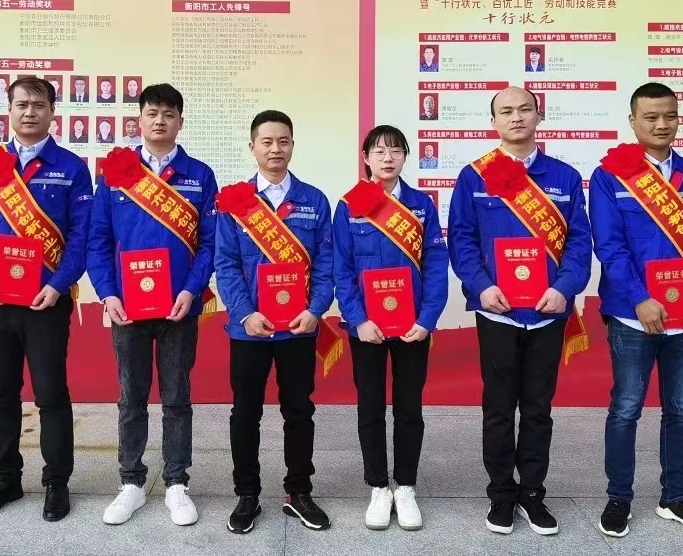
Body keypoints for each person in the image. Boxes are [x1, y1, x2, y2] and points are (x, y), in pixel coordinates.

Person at [447, 86, 591, 537]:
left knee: (537, 408)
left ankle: (532, 493)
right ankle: (501, 494)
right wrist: (481, 286)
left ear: (538, 116)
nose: (516, 117)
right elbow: (462, 239)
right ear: (493, 122)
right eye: (506, 111)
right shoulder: (474, 176)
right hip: (497, 311)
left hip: (548, 311)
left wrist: (565, 288)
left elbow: (579, 240)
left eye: (525, 109)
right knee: (497, 407)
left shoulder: (565, 177)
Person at [589, 83, 683, 539]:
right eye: (650, 116)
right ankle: (619, 497)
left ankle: (675, 497)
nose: (661, 124)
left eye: (669, 115)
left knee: (681, 410)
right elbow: (609, 246)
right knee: (626, 408)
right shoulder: (611, 177)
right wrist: (639, 298)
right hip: (633, 316)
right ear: (633, 121)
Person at [0, 77, 93, 523]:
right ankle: (5, 478)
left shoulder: (71, 168)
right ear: (9, 111)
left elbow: (82, 234)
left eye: (38, 104)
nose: (29, 112)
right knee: (1, 394)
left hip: (46, 302)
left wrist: (60, 283)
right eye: (21, 104)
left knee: (51, 393)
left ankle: (57, 481)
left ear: (53, 112)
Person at [88, 83, 219, 527]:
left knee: (177, 396)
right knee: (131, 396)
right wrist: (108, 293)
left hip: (179, 306)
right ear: (139, 120)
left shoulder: (199, 175)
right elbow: (98, 239)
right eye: (152, 113)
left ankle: (177, 482)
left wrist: (191, 290)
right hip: (127, 307)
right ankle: (131, 481)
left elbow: (209, 243)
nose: (159, 121)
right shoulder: (116, 171)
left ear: (180, 121)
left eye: (168, 114)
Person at [214, 110, 336, 535]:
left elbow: (326, 264)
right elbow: (226, 264)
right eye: (266, 142)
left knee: (299, 411)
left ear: (292, 146)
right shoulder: (235, 202)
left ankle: (298, 492)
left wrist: (315, 309)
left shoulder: (314, 200)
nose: (275, 149)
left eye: (283, 141)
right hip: (248, 329)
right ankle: (247, 495)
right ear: (252, 148)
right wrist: (246, 313)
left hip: (298, 328)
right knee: (245, 412)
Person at [332, 125, 448, 531]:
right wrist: (357, 318)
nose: (387, 158)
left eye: (396, 151)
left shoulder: (421, 205)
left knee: (409, 406)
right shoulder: (349, 205)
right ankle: (379, 486)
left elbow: (436, 264)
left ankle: (407, 486)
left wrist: (427, 319)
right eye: (379, 151)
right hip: (366, 327)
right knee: (370, 405)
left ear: (405, 158)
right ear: (366, 158)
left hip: (412, 325)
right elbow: (342, 267)